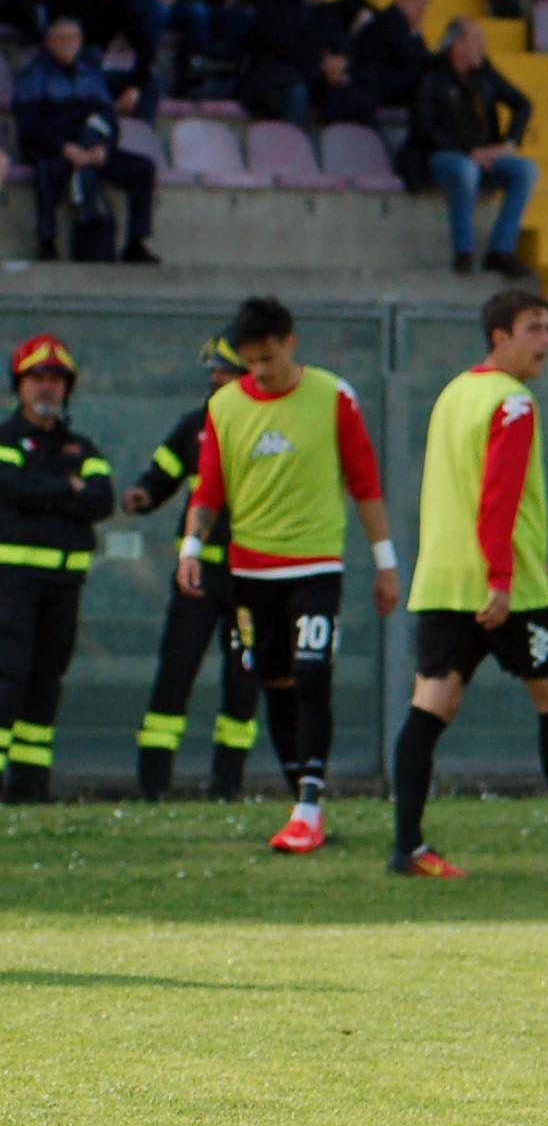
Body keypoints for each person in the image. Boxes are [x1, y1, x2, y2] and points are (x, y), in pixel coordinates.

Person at [390, 291, 548, 877]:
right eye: (534, 329)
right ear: (499, 336)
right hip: (503, 586)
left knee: (430, 707)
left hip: (444, 579)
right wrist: (505, 576)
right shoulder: (512, 403)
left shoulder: (456, 393)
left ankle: (407, 849)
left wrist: (533, 556)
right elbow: (496, 497)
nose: (546, 341)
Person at [178, 297, 400, 855]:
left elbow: (364, 482)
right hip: (250, 572)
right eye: (251, 360)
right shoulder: (225, 406)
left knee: (311, 674)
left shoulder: (332, 396)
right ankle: (302, 802)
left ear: (291, 342)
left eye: (269, 356)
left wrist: (385, 563)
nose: (262, 371)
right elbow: (209, 488)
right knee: (271, 682)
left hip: (315, 565)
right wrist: (190, 547)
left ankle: (307, 802)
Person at [119, 334, 265, 802]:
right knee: (175, 674)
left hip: (250, 583)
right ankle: (154, 785)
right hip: (197, 578)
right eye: (214, 372)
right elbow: (161, 473)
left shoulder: (269, 426)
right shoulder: (196, 425)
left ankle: (227, 786)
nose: (215, 379)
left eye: (225, 371)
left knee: (243, 682)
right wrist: (143, 495)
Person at [0, 336, 112, 805]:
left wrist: (48, 491)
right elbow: (12, 487)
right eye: (38, 379)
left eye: (56, 380)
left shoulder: (80, 445)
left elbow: (101, 498)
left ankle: (30, 787)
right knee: (8, 678)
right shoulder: (5, 439)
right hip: (12, 586)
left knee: (46, 682)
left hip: (65, 586)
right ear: (20, 386)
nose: (48, 388)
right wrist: (67, 488)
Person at [16, 14, 159, 263]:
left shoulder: (91, 73)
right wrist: (65, 147)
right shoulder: (34, 75)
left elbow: (107, 117)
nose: (67, 44)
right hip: (53, 145)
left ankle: (136, 242)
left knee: (142, 168)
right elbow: (30, 125)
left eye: (73, 38)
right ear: (48, 42)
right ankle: (47, 242)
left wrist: (103, 146)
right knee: (50, 169)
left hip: (90, 143)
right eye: (61, 38)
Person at [406, 17, 539, 275]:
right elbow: (424, 129)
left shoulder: (484, 71)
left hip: (483, 153)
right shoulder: (432, 74)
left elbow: (522, 102)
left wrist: (509, 143)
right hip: (440, 154)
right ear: (458, 45)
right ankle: (463, 252)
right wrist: (469, 151)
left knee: (525, 171)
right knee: (466, 170)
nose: (483, 45)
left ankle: (501, 250)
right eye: (477, 39)